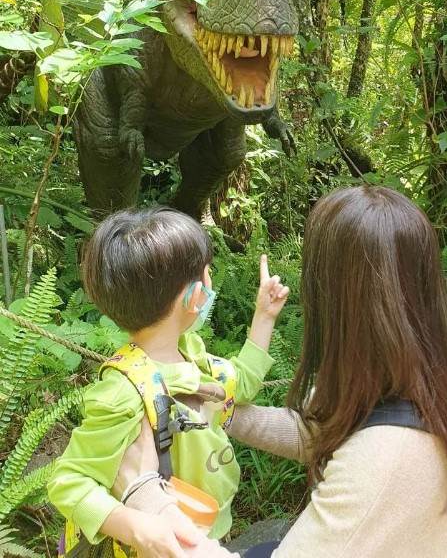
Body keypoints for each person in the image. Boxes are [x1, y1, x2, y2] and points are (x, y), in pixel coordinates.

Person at [116, 186, 447, 558]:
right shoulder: (433, 379)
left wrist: (142, 493)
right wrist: (222, 410)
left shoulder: (382, 464)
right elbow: (322, 433)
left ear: (335, 298)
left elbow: (367, 462)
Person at [48, 206, 289, 558]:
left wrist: (264, 316)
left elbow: (242, 385)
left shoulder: (193, 355)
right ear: (194, 297)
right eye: (208, 275)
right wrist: (137, 526)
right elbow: (68, 481)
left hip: (203, 534)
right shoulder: (123, 392)